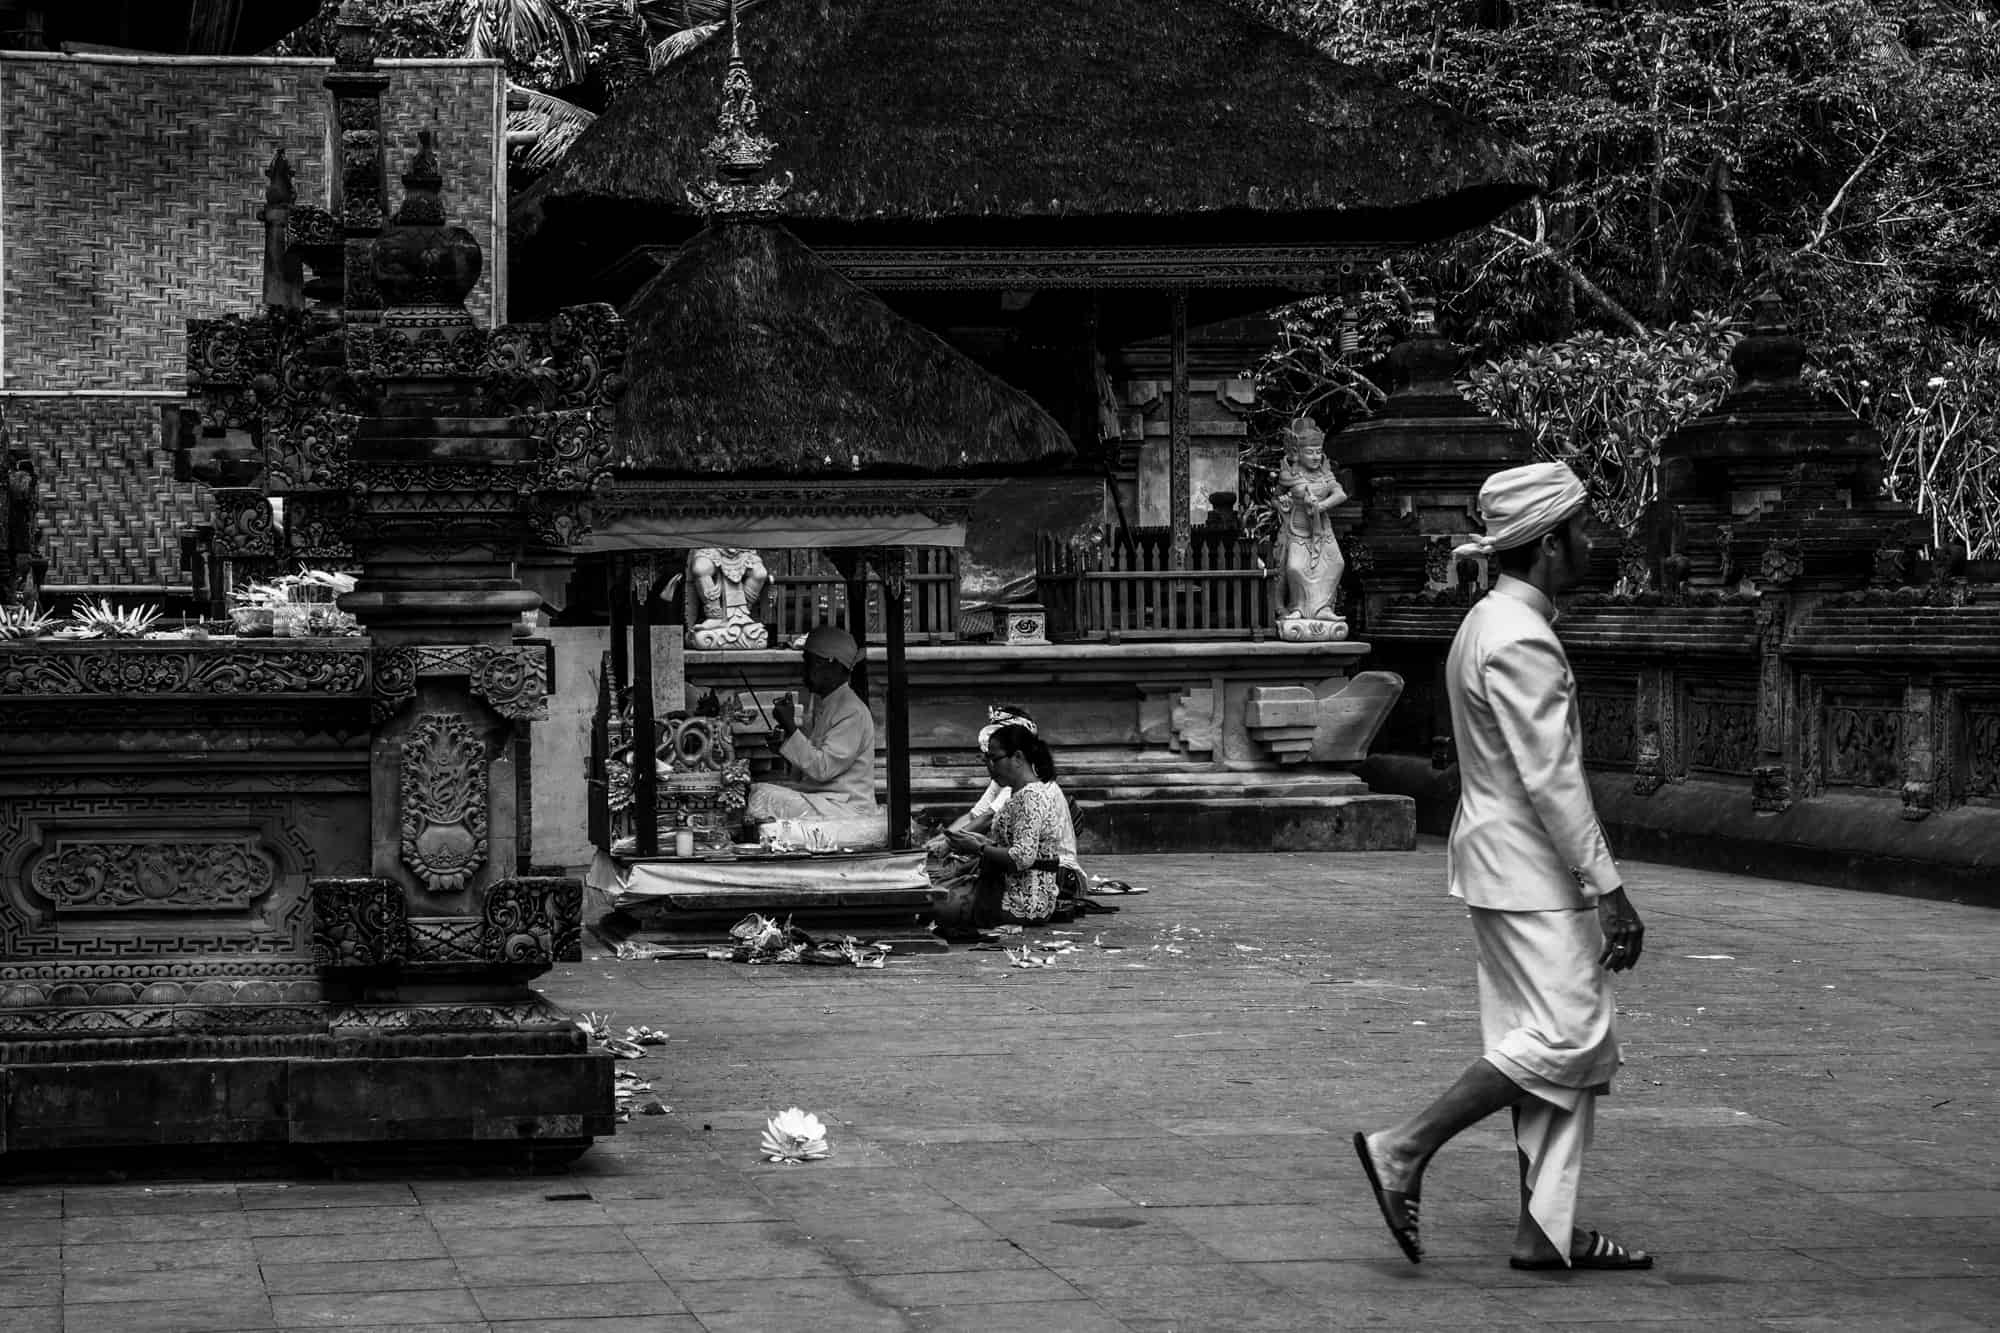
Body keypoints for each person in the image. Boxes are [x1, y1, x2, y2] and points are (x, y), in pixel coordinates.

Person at [1352, 460, 1651, 1273]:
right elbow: (1552, 780)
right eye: (1583, 528)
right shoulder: (1521, 638)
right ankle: (1404, 1148)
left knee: (1545, 1042)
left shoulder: (1486, 622)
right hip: (1532, 872)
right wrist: (1609, 886)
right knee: (1569, 1036)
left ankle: (1544, 1230)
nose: (1594, 541)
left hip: (1499, 865)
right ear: (1550, 544)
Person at [941, 723, 1070, 928]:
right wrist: (975, 842)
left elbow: (1022, 857)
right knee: (933, 895)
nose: (990, 766)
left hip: (1025, 900)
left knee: (934, 906)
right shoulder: (1016, 794)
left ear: (1018, 758)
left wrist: (979, 848)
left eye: (995, 759)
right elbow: (1009, 842)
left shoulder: (1032, 798)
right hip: (1006, 886)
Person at [744, 624, 878, 822]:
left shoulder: (851, 711)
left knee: (761, 795)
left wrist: (791, 727)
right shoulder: (826, 704)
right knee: (757, 790)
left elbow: (822, 769)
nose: (804, 671)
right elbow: (808, 772)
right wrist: (784, 746)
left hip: (845, 808)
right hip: (825, 801)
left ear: (831, 664)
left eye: (810, 663)